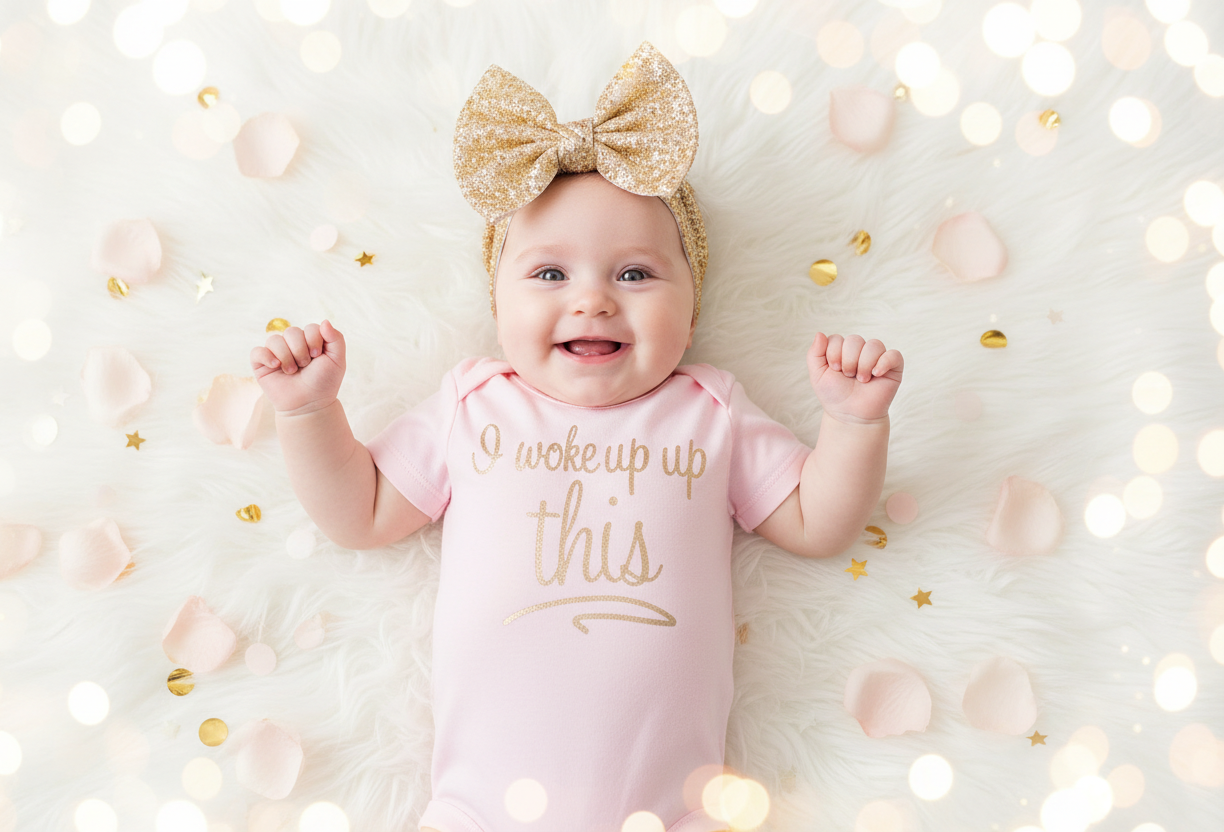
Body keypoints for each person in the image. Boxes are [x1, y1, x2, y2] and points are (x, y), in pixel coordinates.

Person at [250, 42, 903, 832]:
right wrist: (308, 414)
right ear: (498, 307)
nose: (592, 301)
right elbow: (361, 513)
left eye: (634, 274)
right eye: (549, 275)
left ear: (692, 312)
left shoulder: (708, 410)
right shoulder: (475, 402)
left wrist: (854, 422)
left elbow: (816, 523)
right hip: (477, 810)